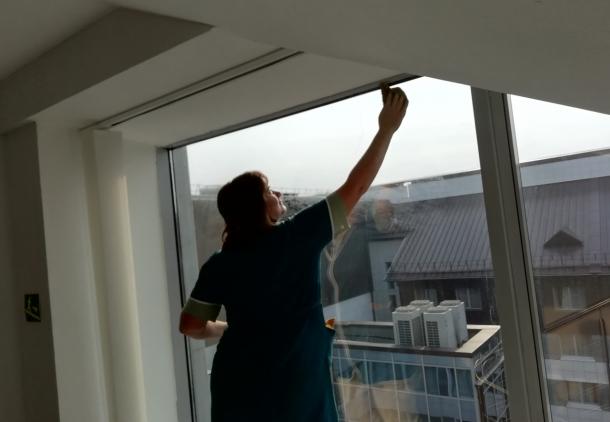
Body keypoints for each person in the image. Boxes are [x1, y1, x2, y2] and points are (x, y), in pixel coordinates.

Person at [179, 85, 408, 422]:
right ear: (258, 206)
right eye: (268, 189)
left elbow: (190, 325)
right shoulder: (296, 236)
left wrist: (231, 330)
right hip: (294, 392)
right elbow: (356, 186)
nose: (277, 192)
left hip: (238, 391)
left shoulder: (221, 264)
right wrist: (387, 128)